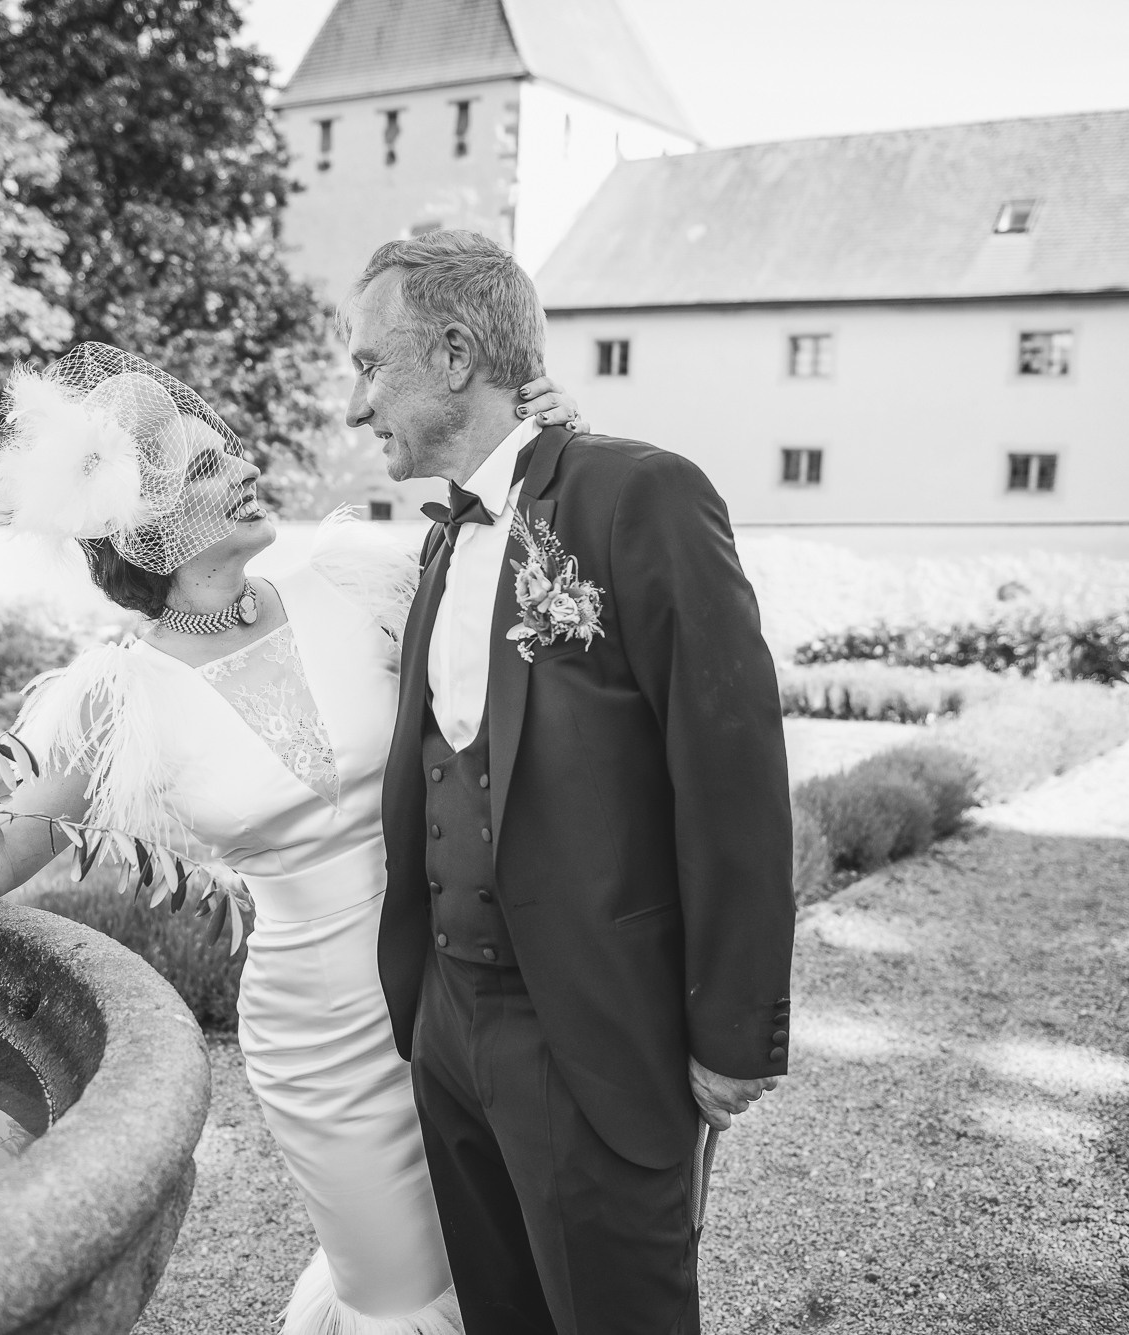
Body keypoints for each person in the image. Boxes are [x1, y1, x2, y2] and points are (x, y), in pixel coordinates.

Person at [0, 342, 587, 1335]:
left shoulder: (351, 579)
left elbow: (542, 607)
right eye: (209, 468)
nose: (249, 468)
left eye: (232, 451)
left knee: (507, 1253)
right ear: (145, 526)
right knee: (398, 1292)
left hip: (469, 989)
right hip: (322, 1039)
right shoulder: (112, 695)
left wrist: (548, 452)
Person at [352, 230, 795, 1335]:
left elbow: (733, 771)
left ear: (454, 355)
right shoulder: (442, 539)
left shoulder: (637, 496)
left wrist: (732, 1036)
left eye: (368, 364)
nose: (356, 403)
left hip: (587, 1024)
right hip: (447, 1021)